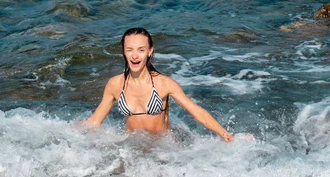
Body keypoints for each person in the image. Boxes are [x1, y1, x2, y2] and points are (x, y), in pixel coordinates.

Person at [85, 27, 253, 142]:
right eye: (130, 49)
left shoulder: (164, 83)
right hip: (132, 151)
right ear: (123, 50)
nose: (135, 56)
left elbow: (197, 112)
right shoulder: (115, 84)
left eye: (141, 50)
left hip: (163, 149)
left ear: (150, 51)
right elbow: (95, 121)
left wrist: (226, 135)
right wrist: (65, 135)